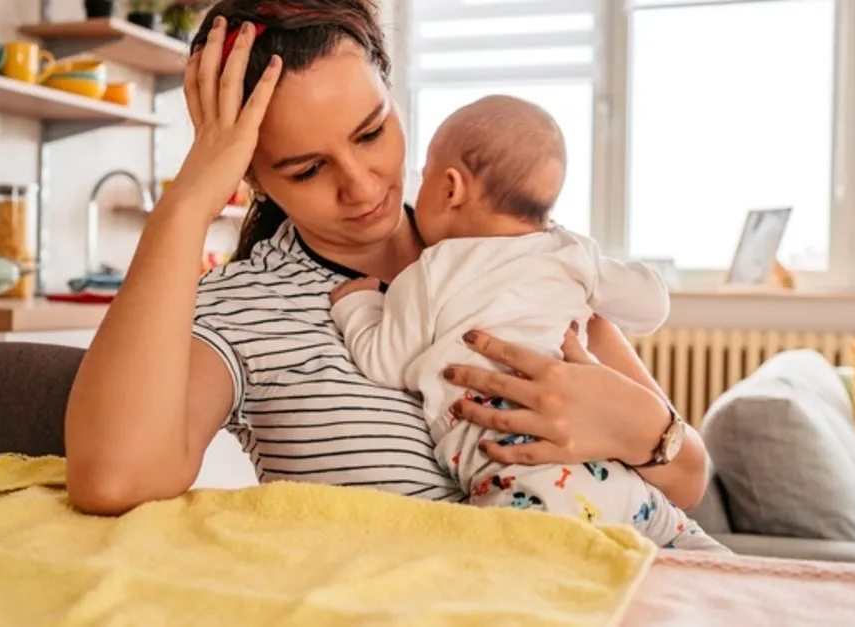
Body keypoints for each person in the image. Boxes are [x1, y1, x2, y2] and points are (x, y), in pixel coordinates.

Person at [62, 0, 710, 519]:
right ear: (254, 175)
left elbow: (688, 478)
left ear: (393, 91)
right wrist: (189, 200)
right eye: (307, 167)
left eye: (372, 131)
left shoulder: (514, 247)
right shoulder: (247, 305)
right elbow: (116, 478)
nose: (363, 184)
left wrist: (640, 427)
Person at [326, 95, 726, 552]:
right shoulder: (570, 251)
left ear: (451, 188)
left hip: (531, 481)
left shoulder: (430, 272)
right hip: (621, 482)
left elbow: (384, 360)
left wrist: (357, 306)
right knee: (721, 573)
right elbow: (651, 308)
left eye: (426, 173)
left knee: (514, 575)